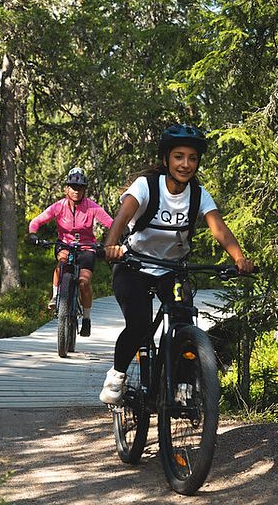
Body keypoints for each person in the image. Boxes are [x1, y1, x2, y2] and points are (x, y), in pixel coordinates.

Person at [99, 124, 254, 404]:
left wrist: (239, 258)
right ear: (166, 159)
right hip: (134, 265)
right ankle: (118, 374)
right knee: (138, 325)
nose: (185, 164)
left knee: (184, 323)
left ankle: (182, 385)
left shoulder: (198, 194)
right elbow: (121, 219)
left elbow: (219, 229)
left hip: (172, 268)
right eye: (179, 156)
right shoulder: (146, 186)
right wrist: (111, 245)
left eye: (192, 158)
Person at [28, 167, 113, 337]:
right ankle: (55, 296)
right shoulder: (59, 206)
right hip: (65, 245)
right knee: (62, 261)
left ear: (84, 190)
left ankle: (87, 319)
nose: (76, 191)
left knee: (84, 282)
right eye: (73, 187)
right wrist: (33, 234)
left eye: (80, 188)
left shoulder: (92, 207)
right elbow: (36, 221)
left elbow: (112, 224)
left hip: (87, 247)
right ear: (66, 188)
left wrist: (111, 243)